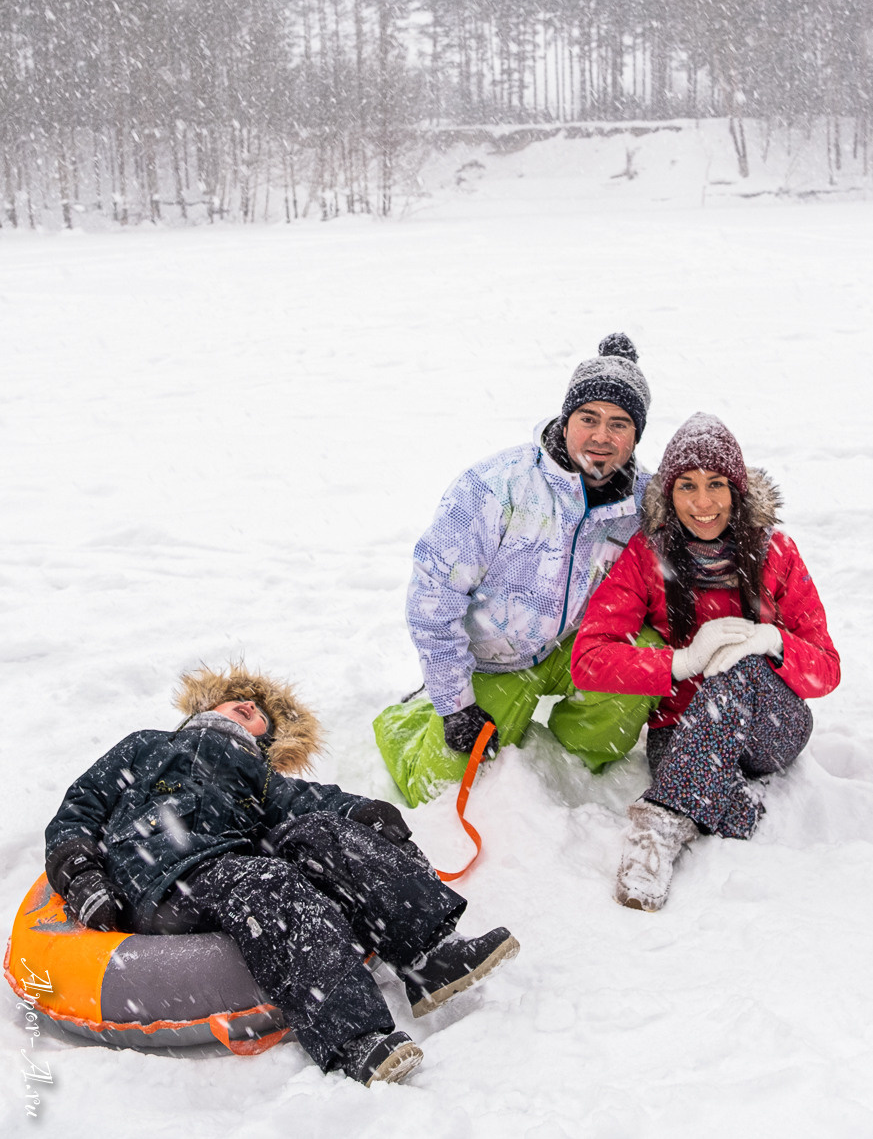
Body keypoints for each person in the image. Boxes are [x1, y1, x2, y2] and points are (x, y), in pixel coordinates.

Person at [44, 664, 519, 1086]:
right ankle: (352, 1039)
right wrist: (82, 874)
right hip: (156, 879)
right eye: (240, 702)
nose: (250, 706)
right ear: (208, 705)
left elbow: (310, 804)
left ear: (265, 740)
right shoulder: (147, 745)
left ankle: (427, 957)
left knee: (319, 832)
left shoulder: (258, 775)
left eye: (258, 717)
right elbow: (78, 811)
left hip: (226, 870)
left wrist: (367, 815)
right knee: (267, 881)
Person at [374, 333, 660, 806]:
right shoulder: (494, 488)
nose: (601, 437)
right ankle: (412, 717)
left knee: (641, 657)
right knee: (437, 789)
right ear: (566, 420)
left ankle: (575, 753)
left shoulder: (643, 502)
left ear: (637, 435)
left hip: (576, 645)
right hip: (495, 658)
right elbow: (433, 597)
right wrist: (453, 703)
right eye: (588, 418)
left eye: (620, 424)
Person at [571, 413, 840, 911]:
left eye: (716, 485)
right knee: (711, 688)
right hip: (681, 732)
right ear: (668, 495)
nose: (702, 503)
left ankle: (661, 822)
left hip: (771, 725)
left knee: (738, 664)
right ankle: (728, 804)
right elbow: (588, 659)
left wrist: (770, 640)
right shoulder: (646, 555)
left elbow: (826, 669)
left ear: (737, 491)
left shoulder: (777, 552)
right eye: (687, 487)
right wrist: (679, 663)